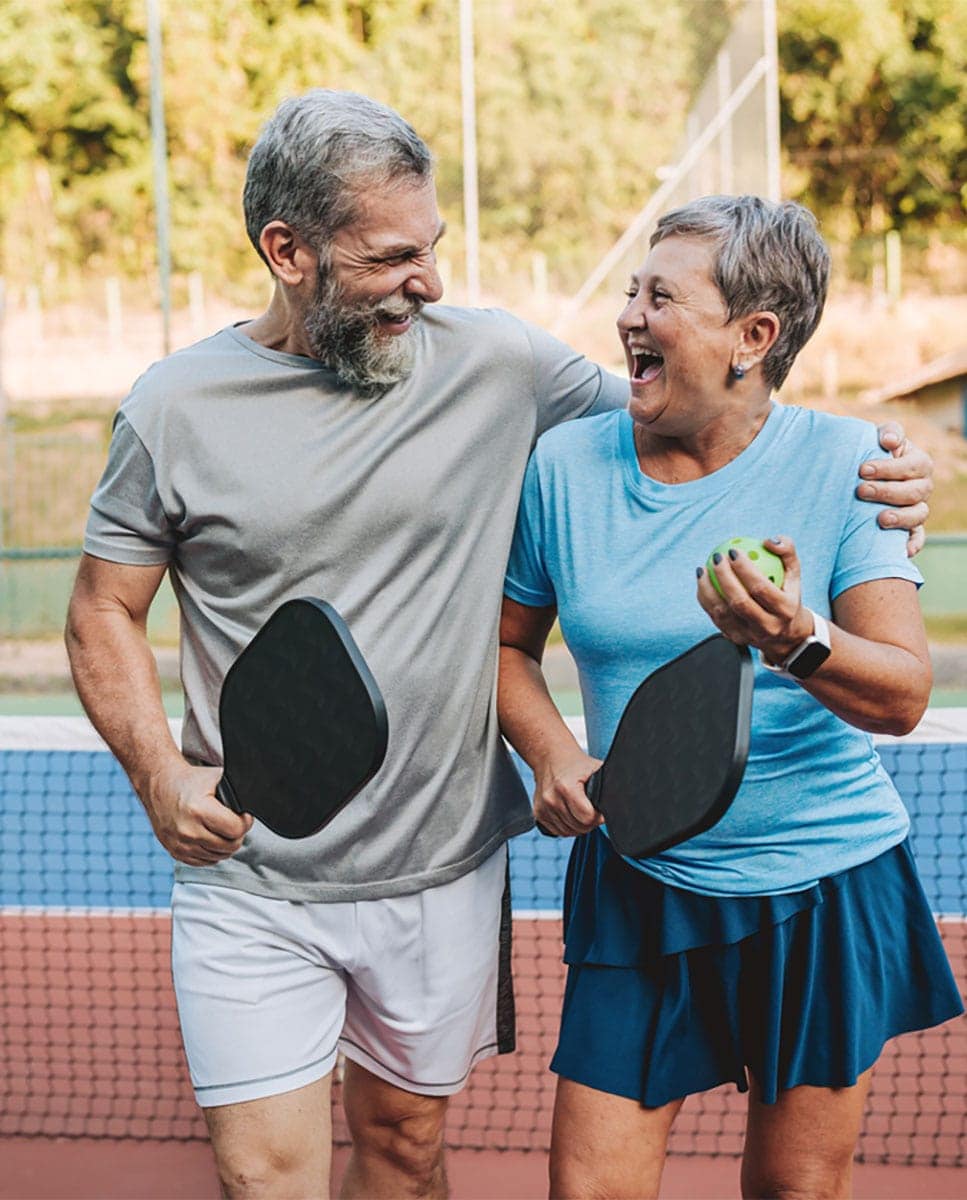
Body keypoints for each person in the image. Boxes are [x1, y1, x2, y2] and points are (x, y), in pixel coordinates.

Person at [64, 89, 932, 1200]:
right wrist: (156, 772)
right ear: (287, 251)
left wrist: (888, 482)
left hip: (472, 869)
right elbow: (102, 608)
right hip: (267, 874)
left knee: (420, 1158)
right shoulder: (177, 408)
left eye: (432, 251)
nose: (427, 284)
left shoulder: (505, 366)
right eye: (392, 257)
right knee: (273, 1180)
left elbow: (729, 417)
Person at [497, 194, 963, 1200]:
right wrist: (549, 752)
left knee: (794, 1190)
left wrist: (795, 640)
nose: (628, 315)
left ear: (753, 336)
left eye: (660, 296)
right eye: (631, 290)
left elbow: (901, 695)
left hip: (822, 885)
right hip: (638, 876)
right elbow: (505, 647)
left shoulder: (852, 467)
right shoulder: (563, 467)